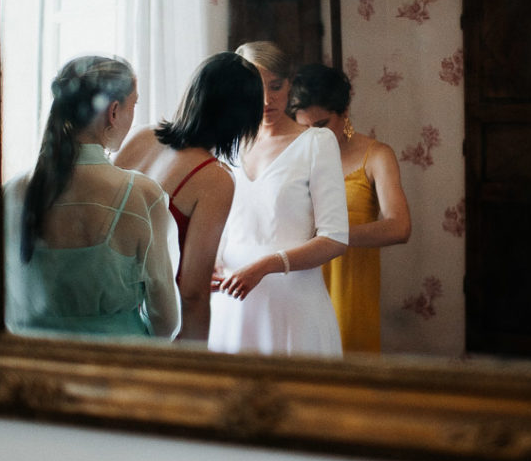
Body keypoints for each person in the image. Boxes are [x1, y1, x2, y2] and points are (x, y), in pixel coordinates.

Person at [3, 55, 181, 339]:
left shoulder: (12, 192)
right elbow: (166, 320)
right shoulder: (141, 196)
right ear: (113, 111)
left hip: (28, 367)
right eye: (134, 104)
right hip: (114, 368)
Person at [208, 41, 349, 357]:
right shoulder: (226, 144)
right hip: (233, 303)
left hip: (295, 304)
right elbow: (224, 224)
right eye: (255, 88)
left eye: (276, 86)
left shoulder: (316, 143)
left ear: (290, 83)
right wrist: (211, 262)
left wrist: (267, 265)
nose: (267, 99)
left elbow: (335, 238)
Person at [114, 52, 263, 342]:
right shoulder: (215, 177)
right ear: (242, 119)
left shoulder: (142, 136)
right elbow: (193, 293)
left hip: (103, 307)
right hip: (151, 322)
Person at [289, 63, 411, 353]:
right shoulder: (290, 156)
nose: (312, 136)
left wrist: (332, 237)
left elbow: (400, 226)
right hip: (297, 285)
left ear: (344, 114)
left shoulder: (376, 156)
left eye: (321, 126)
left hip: (349, 289)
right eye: (302, 127)